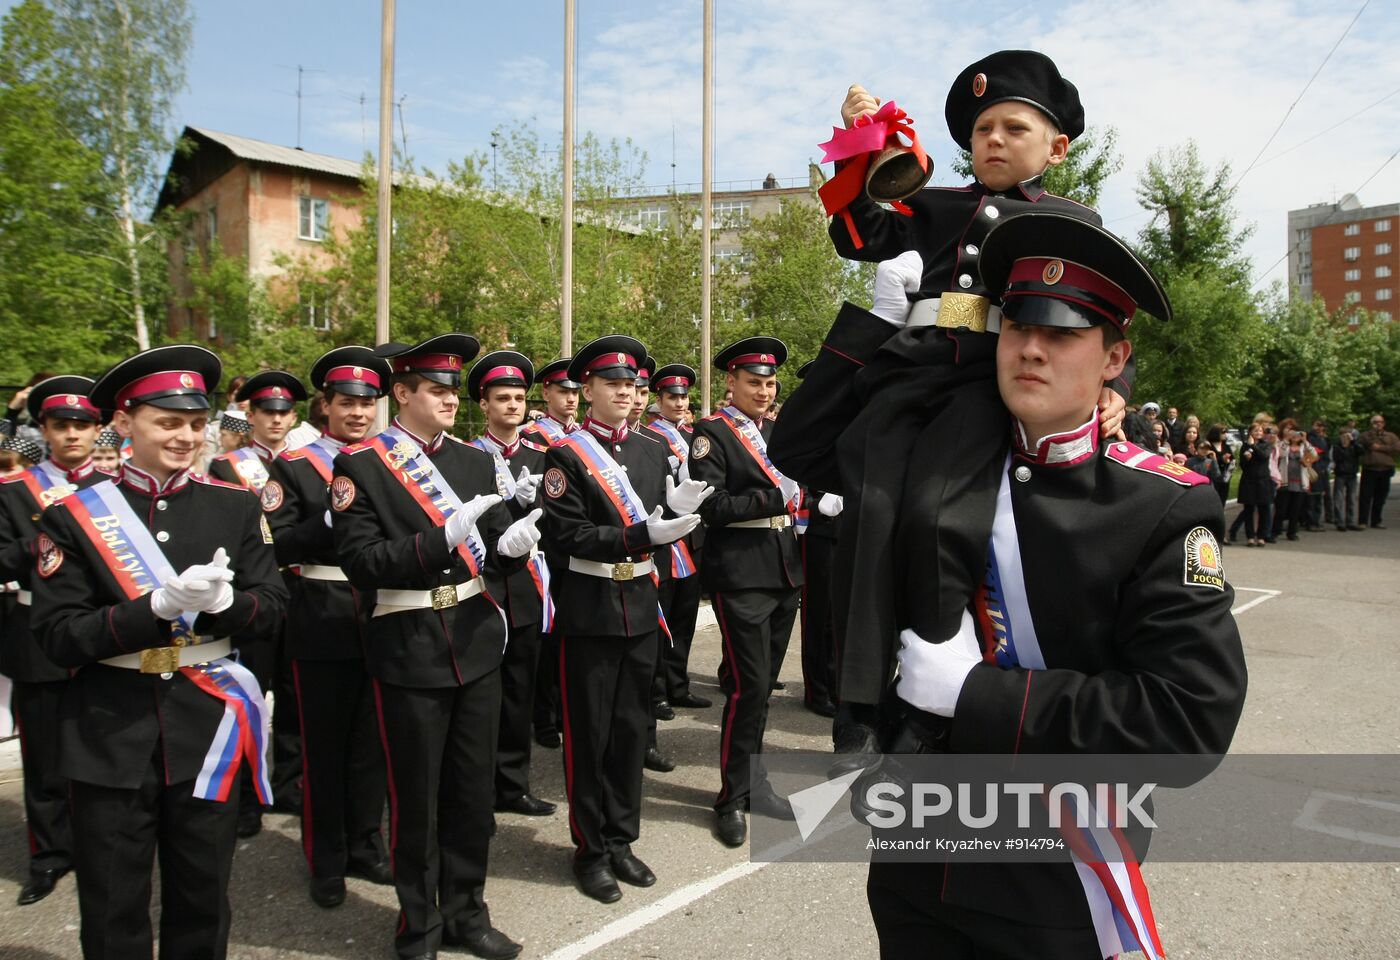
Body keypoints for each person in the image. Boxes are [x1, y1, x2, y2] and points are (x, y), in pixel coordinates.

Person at [865, 212, 1246, 960]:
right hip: (915, 855)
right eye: (1017, 327)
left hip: (1048, 872)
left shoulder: (1160, 506)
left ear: (1114, 359)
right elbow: (807, 445)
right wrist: (882, 325)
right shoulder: (946, 461)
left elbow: (1188, 724)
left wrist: (975, 696)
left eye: (1065, 333)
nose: (1032, 348)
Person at [776, 50, 1131, 770]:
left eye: (1013, 127)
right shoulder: (933, 202)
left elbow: (1102, 315)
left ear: (1057, 148)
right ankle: (858, 706)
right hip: (907, 373)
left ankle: (926, 699)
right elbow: (856, 235)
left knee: (938, 520)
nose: (992, 140)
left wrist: (1110, 387)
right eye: (981, 129)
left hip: (985, 385)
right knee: (869, 515)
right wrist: (864, 143)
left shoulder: (1073, 221)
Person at [31, 344, 288, 959]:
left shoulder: (234, 504)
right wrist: (153, 611)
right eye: (167, 422)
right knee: (113, 902)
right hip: (111, 730)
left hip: (206, 729)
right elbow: (58, 634)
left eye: (196, 424)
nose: (186, 436)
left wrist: (227, 606)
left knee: (203, 898)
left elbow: (275, 608)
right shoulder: (72, 515)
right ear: (123, 423)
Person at [331, 334, 539, 960]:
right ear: (402, 394)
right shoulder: (361, 466)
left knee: (471, 795)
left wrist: (511, 546)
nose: (451, 399)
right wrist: (438, 540)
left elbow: (497, 542)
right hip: (410, 647)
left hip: (474, 643)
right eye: (437, 389)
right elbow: (360, 562)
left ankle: (468, 914)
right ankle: (418, 927)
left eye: (454, 389)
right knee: (418, 802)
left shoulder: (475, 463)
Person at [540, 336, 705, 903]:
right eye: (613, 384)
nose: (626, 393)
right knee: (589, 735)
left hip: (640, 605)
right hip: (588, 610)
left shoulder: (652, 450)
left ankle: (621, 839)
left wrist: (677, 516)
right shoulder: (564, 455)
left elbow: (661, 520)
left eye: (632, 385)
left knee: (632, 731)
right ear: (587, 390)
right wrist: (638, 536)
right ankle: (590, 851)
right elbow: (564, 535)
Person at [262, 347, 394, 909]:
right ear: (326, 406)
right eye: (348, 403)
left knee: (372, 744)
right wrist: (328, 520)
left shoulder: (391, 462)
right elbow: (275, 542)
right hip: (323, 610)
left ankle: (366, 843)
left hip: (382, 608)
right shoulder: (293, 467)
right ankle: (327, 858)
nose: (359, 413)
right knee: (324, 747)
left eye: (368, 404)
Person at [685, 337, 804, 847]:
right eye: (753, 382)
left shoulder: (780, 431)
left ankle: (756, 781)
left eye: (770, 382)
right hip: (741, 575)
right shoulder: (711, 434)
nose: (763, 389)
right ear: (731, 383)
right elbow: (711, 506)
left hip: (783, 571)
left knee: (765, 688)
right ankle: (731, 796)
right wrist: (774, 496)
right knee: (747, 688)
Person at [0, 378, 104, 906]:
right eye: (60, 425)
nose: (71, 435)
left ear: (97, 430)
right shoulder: (14, 491)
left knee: (100, 750)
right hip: (35, 633)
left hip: (98, 634)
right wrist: (50, 531)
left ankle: (97, 845)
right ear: (43, 430)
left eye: (81, 425)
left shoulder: (111, 487)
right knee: (42, 755)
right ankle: (49, 855)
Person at [209, 370, 310, 834]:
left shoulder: (308, 461)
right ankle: (246, 796)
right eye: (266, 412)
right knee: (249, 695)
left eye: (283, 412)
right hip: (251, 595)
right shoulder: (228, 467)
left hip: (299, 590)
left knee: (294, 697)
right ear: (249, 415)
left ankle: (288, 783)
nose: (275, 419)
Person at [464, 350, 557, 819]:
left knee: (520, 693)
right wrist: (509, 504)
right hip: (486, 588)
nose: (513, 405)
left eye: (520, 397)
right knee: (483, 700)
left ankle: (513, 785)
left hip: (530, 587)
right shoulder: (467, 458)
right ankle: (477, 790)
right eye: (503, 397)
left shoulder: (543, 456)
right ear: (484, 404)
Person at [517, 357, 579, 751]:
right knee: (545, 638)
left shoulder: (584, 437)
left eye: (575, 392)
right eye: (563, 391)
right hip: (540, 549)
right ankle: (544, 715)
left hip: (572, 546)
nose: (570, 399)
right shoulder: (533, 437)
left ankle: (564, 709)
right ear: (547, 393)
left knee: (570, 637)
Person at [643, 362, 711, 716]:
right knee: (662, 620)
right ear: (660, 399)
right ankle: (657, 694)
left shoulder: (693, 435)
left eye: (685, 397)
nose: (681, 403)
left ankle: (678, 684)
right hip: (664, 537)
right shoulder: (650, 436)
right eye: (673, 397)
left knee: (684, 618)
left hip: (691, 538)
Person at [1229, 422, 1274, 546]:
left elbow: (1264, 456)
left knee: (1264, 509)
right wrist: (1247, 458)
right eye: (1255, 431)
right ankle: (1250, 536)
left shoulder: (1267, 445)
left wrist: (1253, 446)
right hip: (1249, 480)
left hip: (1263, 480)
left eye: (1260, 431)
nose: (1258, 433)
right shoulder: (1244, 446)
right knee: (1249, 509)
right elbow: (1243, 465)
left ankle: (1261, 536)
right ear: (1250, 432)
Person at [1357, 414, 1400, 529]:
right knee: (1365, 497)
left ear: (1384, 423)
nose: (1378, 424)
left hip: (1385, 469)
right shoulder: (1366, 435)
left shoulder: (1391, 436)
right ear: (1371, 424)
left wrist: (1380, 448)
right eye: (1375, 422)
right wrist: (1374, 437)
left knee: (1380, 497)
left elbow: (1396, 448)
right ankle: (1363, 521)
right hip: (1370, 469)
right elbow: (1362, 444)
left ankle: (1376, 520)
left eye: (1380, 422)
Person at [1332, 425, 1362, 530]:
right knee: (1339, 499)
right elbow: (1337, 458)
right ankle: (1339, 521)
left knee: (1352, 499)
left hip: (1352, 474)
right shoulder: (1337, 447)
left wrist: (1353, 442)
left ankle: (1351, 521)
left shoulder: (1355, 446)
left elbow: (1362, 452)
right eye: (1343, 436)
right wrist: (1344, 447)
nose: (1345, 438)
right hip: (1341, 474)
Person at [1305, 419, 1332, 530]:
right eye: (1317, 425)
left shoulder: (1325, 439)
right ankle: (1311, 522)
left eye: (1322, 425)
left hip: (1321, 470)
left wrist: (1323, 467)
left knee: (1319, 496)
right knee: (1311, 497)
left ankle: (1317, 520)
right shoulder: (1309, 437)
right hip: (1311, 469)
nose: (1319, 428)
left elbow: (1326, 455)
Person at [1204, 423, 1234, 506]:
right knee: (1212, 502)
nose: (1225, 434)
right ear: (1216, 433)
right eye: (1223, 432)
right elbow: (1207, 461)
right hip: (1212, 478)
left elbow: (1232, 460)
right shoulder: (1208, 446)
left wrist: (1228, 461)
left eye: (1226, 432)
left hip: (1224, 477)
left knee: (1222, 501)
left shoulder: (1226, 446)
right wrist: (1221, 459)